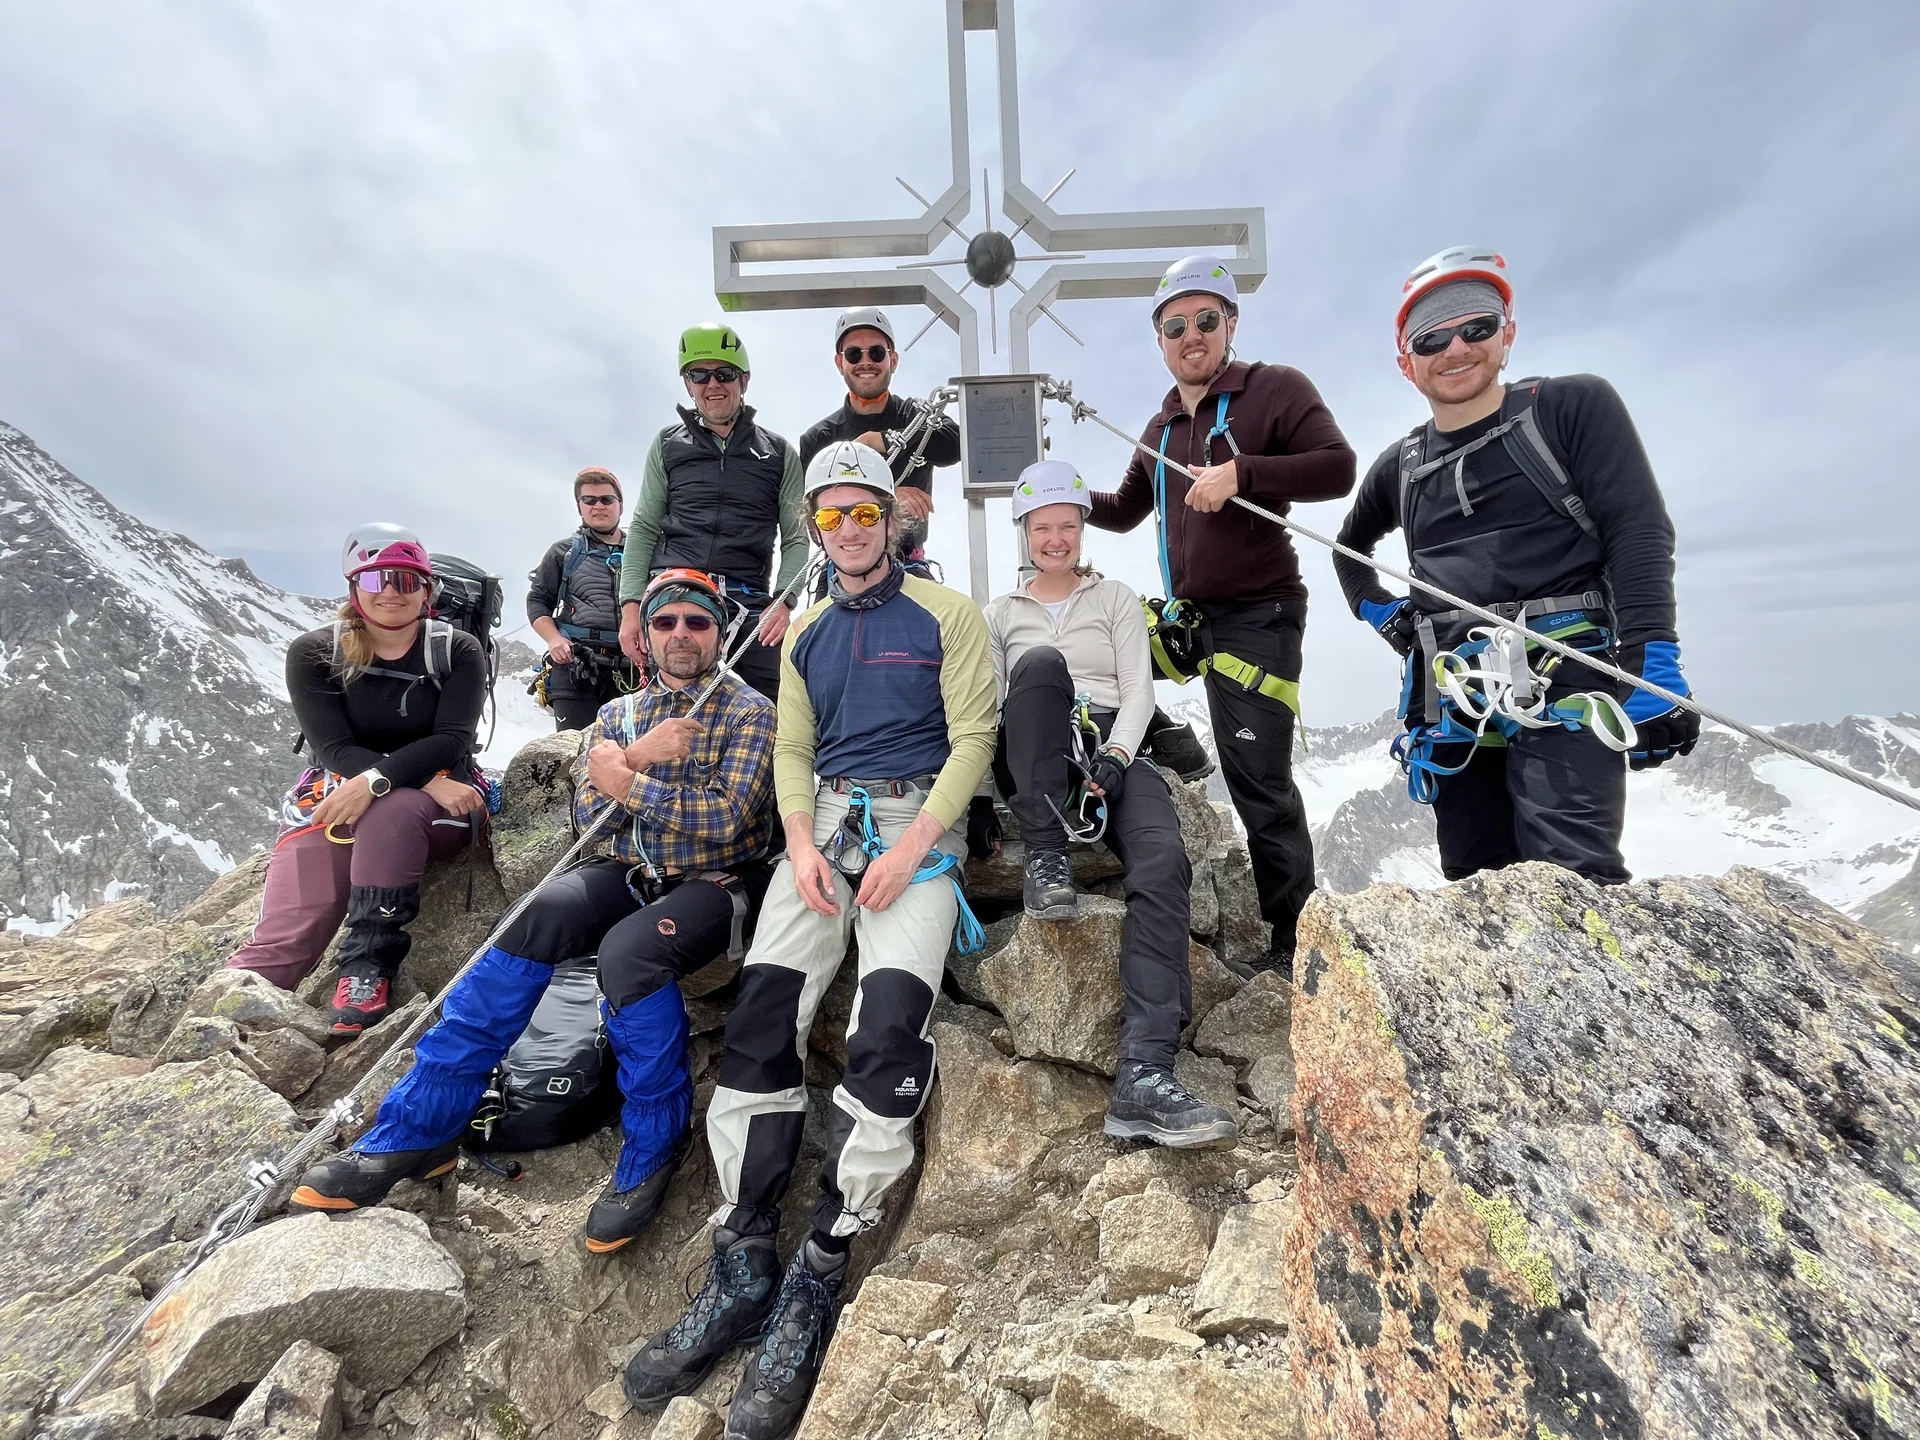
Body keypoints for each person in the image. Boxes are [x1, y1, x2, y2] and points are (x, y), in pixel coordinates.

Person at [621, 441, 996, 1440]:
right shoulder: (809, 632)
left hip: (915, 834)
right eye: (828, 519)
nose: (848, 532)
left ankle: (823, 1260)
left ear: (892, 519)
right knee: (758, 1021)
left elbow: (973, 741)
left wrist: (915, 844)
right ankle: (744, 1255)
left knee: (887, 1032)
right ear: (816, 528)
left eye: (863, 515)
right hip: (821, 833)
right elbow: (794, 747)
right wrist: (800, 843)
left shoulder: (949, 617)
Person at [289, 569, 780, 1254]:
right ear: (648, 636)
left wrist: (625, 779)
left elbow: (727, 823)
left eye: (697, 623)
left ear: (717, 633)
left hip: (715, 880)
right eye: (666, 622)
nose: (680, 636)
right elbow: (587, 816)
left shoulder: (749, 711)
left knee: (629, 955)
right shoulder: (617, 717)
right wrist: (637, 757)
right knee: (532, 918)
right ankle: (420, 1126)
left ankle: (654, 1141)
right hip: (626, 866)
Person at [1333, 246, 1698, 883]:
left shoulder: (1569, 409)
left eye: (1475, 326)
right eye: (1431, 338)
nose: (1455, 349)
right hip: (1452, 696)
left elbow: (1638, 531)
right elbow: (1347, 550)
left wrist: (1651, 662)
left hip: (1565, 675)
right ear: (1406, 363)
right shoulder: (1402, 464)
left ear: (1507, 332)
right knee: (1473, 880)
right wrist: (1389, 617)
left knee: (1573, 880)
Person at [1086, 254, 1357, 977]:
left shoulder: (1273, 391)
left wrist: (1247, 474)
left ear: (1230, 324)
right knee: (1089, 651)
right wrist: (1060, 499)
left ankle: (1295, 943)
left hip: (1257, 619)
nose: (1191, 335)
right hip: (1189, 617)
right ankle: (1171, 746)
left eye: (1206, 319)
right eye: (1175, 326)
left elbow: (1337, 465)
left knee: (1259, 781)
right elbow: (1124, 509)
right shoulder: (1164, 424)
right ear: (1160, 340)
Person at [981, 458, 1238, 1148]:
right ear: (1025, 532)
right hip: (1035, 753)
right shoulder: (1000, 614)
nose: (1057, 539)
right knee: (1038, 668)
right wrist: (982, 796)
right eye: (1043, 527)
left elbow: (1139, 691)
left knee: (1160, 861)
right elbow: (984, 708)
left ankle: (1144, 1075)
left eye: (1067, 525)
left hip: (1112, 751)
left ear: (1082, 528)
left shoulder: (1116, 598)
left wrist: (1118, 759)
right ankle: (1046, 855)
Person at [227, 525, 488, 1033]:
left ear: (427, 591)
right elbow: (332, 748)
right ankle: (239, 996)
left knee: (391, 810)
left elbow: (452, 740)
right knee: (294, 911)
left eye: (406, 580)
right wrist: (406, 778)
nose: (391, 590)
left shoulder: (457, 650)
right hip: (350, 793)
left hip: (436, 808)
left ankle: (369, 964)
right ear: (354, 589)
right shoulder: (313, 652)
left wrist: (377, 782)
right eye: (376, 580)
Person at [617, 324, 807, 701]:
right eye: (698, 375)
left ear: (744, 380)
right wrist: (630, 607)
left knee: (770, 708)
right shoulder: (668, 444)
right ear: (688, 385)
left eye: (725, 374)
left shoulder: (779, 453)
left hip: (748, 600)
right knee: (677, 711)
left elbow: (797, 535)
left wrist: (783, 602)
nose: (712, 384)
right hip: (675, 587)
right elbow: (643, 527)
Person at [797, 307, 959, 577]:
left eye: (876, 352)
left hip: (908, 567)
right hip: (841, 571)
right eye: (853, 354)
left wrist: (878, 441)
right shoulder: (820, 438)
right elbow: (814, 521)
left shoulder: (917, 417)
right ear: (840, 363)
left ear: (892, 360)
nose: (866, 362)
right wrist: (892, 501)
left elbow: (955, 445)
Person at [527, 466, 639, 730]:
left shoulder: (642, 552)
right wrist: (554, 639)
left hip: (632, 668)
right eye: (589, 500)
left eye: (606, 499)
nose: (597, 506)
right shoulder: (563, 552)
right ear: (580, 507)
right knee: (575, 751)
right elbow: (538, 600)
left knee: (633, 755)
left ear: (620, 506)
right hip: (575, 666)